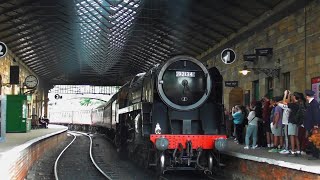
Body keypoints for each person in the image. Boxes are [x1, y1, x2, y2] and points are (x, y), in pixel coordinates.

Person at [304, 90, 320, 160]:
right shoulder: (312, 103)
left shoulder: (314, 103)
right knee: (312, 139)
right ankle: (314, 154)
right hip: (311, 125)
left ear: (307, 96)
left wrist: (316, 124)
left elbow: (316, 115)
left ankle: (315, 155)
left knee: (314, 139)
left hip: (313, 125)